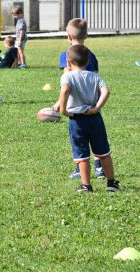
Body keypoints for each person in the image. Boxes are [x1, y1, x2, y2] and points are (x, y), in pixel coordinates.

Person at [58, 45, 120, 193]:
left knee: (81, 154)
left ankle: (86, 185)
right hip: (95, 118)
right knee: (103, 152)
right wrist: (97, 108)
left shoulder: (67, 76)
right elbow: (106, 91)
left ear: (68, 62)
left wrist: (63, 110)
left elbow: (65, 90)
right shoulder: (95, 76)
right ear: (88, 62)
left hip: (77, 121)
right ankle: (111, 183)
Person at [53, 18, 104, 179]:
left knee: (79, 136)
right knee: (95, 136)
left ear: (68, 36)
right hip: (92, 102)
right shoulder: (91, 55)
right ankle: (99, 167)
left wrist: (59, 103)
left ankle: (79, 168)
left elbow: (66, 82)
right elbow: (94, 77)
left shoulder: (67, 55)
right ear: (86, 35)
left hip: (75, 105)